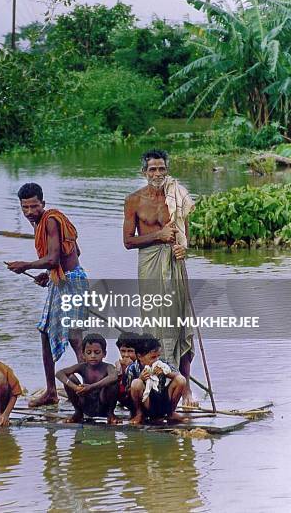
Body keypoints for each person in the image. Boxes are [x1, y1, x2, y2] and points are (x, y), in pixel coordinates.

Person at [123, 149, 197, 406]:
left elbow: (184, 236)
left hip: (173, 263)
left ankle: (184, 388)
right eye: (152, 169)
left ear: (167, 170)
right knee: (154, 322)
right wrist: (158, 236)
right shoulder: (134, 200)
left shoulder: (176, 196)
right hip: (150, 264)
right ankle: (156, 387)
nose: (157, 174)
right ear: (144, 172)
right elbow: (128, 241)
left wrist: (182, 247)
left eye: (161, 169)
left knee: (181, 322)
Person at [8, 183, 88, 408]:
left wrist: (27, 265)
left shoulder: (51, 220)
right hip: (60, 280)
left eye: (34, 206)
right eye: (25, 207)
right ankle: (51, 391)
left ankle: (90, 391)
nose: (30, 212)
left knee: (75, 338)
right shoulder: (40, 223)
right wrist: (47, 274)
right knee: (45, 331)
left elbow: (54, 258)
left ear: (43, 203)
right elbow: (71, 252)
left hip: (71, 282)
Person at [56, 334, 120, 424]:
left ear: (104, 354)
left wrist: (91, 387)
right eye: (89, 352)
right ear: (83, 354)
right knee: (70, 377)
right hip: (86, 405)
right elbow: (59, 373)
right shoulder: (82, 367)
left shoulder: (108, 367)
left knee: (113, 383)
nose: (93, 356)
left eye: (97, 352)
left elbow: (114, 377)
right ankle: (78, 413)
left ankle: (111, 414)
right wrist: (75, 387)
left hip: (103, 405)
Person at [124, 335, 186, 424]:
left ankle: (171, 412)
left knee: (181, 379)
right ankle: (139, 413)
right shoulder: (132, 368)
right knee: (136, 383)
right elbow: (127, 392)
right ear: (140, 356)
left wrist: (166, 373)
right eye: (153, 357)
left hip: (161, 399)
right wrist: (141, 379)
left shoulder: (162, 364)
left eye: (158, 356)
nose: (156, 360)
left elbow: (178, 375)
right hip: (146, 402)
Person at [115, 331, 138, 412]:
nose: (126, 355)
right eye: (123, 351)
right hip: (124, 397)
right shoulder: (119, 364)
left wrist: (130, 367)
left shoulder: (141, 364)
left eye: (130, 351)